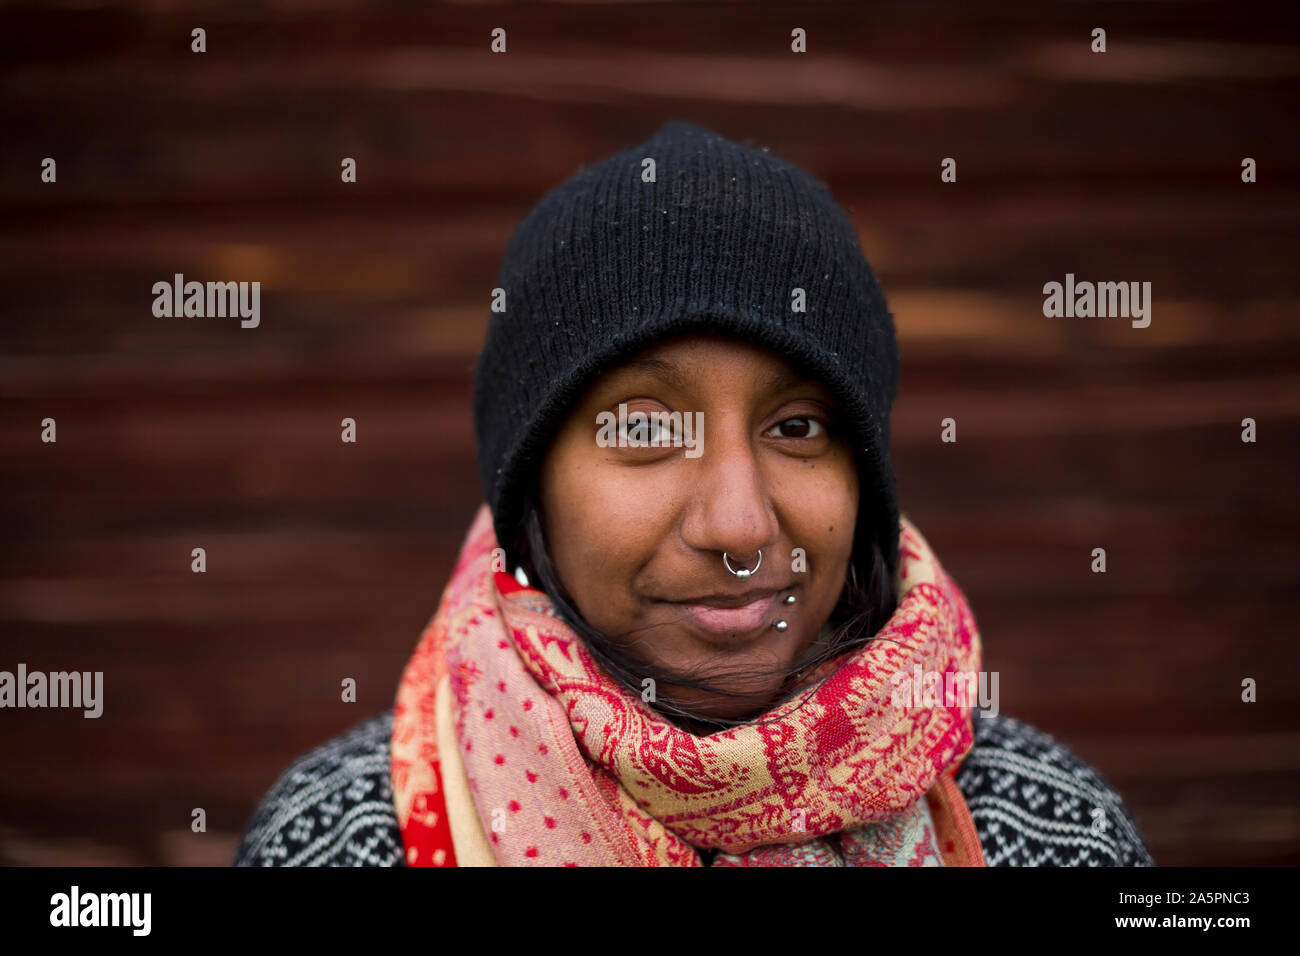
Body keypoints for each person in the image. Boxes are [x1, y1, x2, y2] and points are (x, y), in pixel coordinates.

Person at [233, 121, 1154, 867]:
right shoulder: (342, 837)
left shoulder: (1049, 833)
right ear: (531, 493)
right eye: (644, 429)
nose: (740, 526)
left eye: (798, 427)